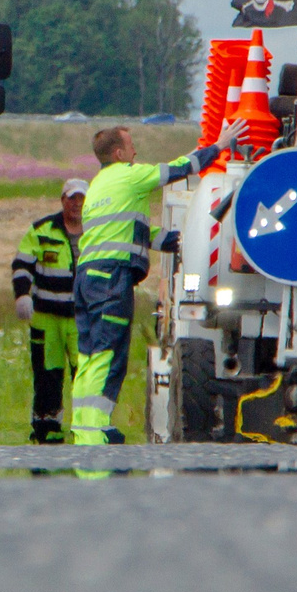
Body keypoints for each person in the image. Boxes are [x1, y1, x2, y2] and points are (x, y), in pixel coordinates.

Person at [70, 121, 243, 445]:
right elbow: (179, 169)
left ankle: (83, 425)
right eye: (131, 145)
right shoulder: (130, 175)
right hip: (111, 277)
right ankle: (96, 426)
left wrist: (177, 239)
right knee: (109, 353)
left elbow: (136, 233)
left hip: (87, 278)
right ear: (119, 152)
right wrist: (219, 146)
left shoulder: (99, 186)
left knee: (89, 353)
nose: (136, 151)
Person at [12, 179, 86, 442]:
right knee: (47, 375)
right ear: (62, 200)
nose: (76, 204)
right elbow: (22, 264)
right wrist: (22, 295)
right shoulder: (42, 230)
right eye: (72, 198)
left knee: (87, 374)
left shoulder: (98, 231)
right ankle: (46, 428)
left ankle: (87, 427)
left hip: (82, 319)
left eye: (81, 199)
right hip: (46, 318)